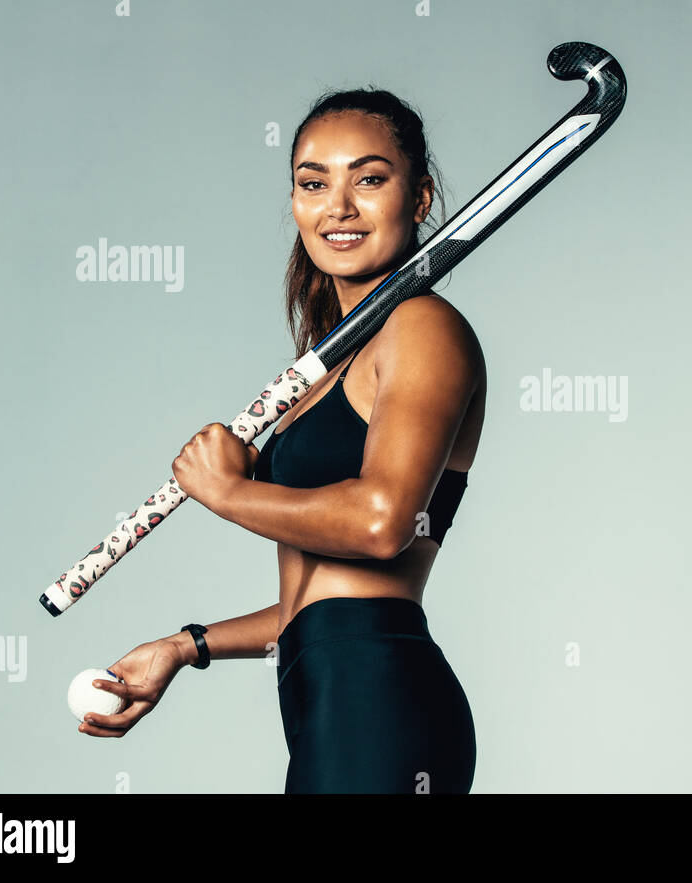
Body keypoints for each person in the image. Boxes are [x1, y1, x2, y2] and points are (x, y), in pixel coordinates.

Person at [78, 88, 486, 795]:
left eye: (369, 178)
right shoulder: (320, 373)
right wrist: (186, 646)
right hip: (324, 691)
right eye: (312, 182)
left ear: (419, 198)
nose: (338, 206)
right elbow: (311, 603)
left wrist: (231, 492)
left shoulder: (422, 328)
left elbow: (380, 523)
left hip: (379, 696)